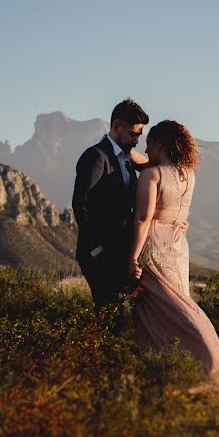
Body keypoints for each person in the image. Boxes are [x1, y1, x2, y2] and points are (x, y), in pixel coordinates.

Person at [128, 120, 219, 393]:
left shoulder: (151, 177)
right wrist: (124, 148)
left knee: (164, 311)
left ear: (160, 143)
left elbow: (143, 219)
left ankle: (208, 366)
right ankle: (187, 369)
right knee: (178, 304)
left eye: (149, 142)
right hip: (178, 245)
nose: (145, 146)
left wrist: (132, 257)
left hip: (154, 244)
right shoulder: (187, 174)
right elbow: (147, 164)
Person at [72, 99, 149, 311]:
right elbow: (80, 203)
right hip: (100, 254)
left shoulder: (125, 156)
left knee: (118, 314)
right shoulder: (96, 157)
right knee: (108, 313)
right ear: (116, 127)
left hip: (118, 252)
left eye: (139, 135)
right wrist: (96, 248)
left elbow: (152, 166)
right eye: (134, 134)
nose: (136, 140)